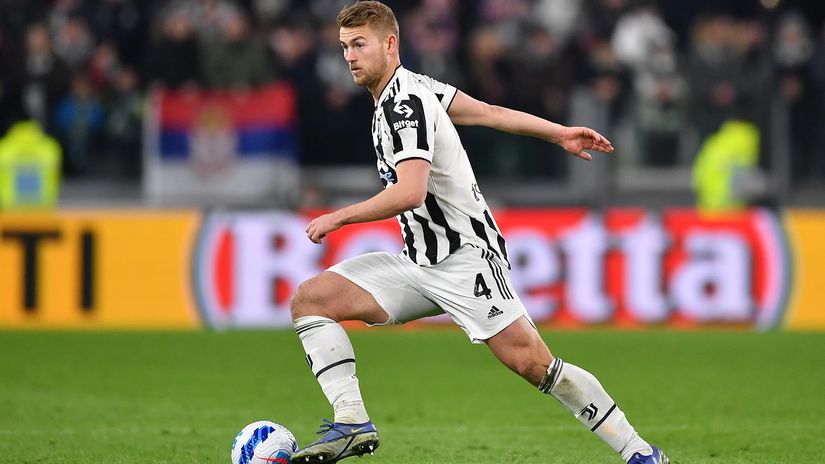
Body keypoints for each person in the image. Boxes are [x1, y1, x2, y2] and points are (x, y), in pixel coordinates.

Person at [290, 2, 669, 463]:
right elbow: (488, 112)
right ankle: (352, 422)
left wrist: (338, 217)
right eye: (345, 46)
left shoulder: (404, 104)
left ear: (390, 44)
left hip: (467, 259)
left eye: (359, 44)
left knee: (536, 366)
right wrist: (560, 132)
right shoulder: (413, 89)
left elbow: (410, 192)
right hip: (420, 263)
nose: (349, 56)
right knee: (312, 299)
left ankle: (639, 453)